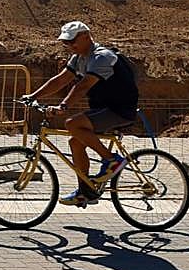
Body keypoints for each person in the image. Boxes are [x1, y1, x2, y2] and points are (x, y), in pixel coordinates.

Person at [24, 20, 139, 207]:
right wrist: (33, 96)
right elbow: (61, 80)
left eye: (71, 41)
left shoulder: (101, 57)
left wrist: (63, 106)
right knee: (75, 143)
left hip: (120, 110)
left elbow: (83, 85)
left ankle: (112, 160)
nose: (68, 46)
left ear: (86, 36)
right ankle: (86, 192)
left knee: (73, 124)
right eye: (66, 43)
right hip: (103, 109)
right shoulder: (79, 58)